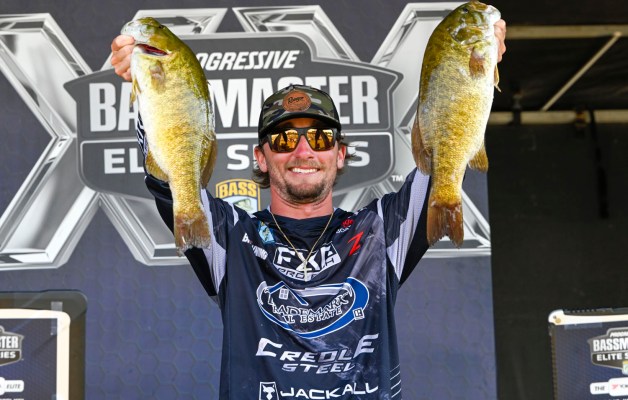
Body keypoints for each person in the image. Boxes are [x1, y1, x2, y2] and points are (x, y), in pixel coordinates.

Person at [111, 20, 506, 400]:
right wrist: (148, 86)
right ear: (261, 157)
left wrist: (475, 64)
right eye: (284, 139)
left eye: (319, 137)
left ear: (340, 153)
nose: (303, 151)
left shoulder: (380, 231)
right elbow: (170, 181)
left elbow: (444, 159)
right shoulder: (232, 239)